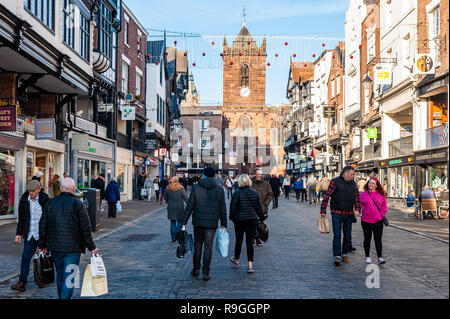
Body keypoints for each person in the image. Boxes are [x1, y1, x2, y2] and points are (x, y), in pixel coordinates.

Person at [38, 178, 98, 299]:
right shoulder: (78, 204)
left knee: (60, 275)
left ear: (61, 188)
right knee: (69, 278)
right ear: (73, 189)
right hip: (73, 249)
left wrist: (42, 245)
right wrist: (92, 247)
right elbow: (85, 229)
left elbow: (43, 225)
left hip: (55, 247)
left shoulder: (50, 203)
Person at [182, 167, 227, 281]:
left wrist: (184, 221)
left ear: (204, 175)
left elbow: (190, 205)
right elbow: (223, 208)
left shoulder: (196, 187)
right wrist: (223, 223)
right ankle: (206, 272)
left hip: (198, 222)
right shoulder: (219, 189)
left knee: (197, 245)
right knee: (208, 247)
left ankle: (196, 268)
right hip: (211, 223)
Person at [11, 180, 50, 292]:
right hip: (30, 234)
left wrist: (48, 235)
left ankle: (43, 280)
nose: (31, 193)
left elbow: (50, 219)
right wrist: (18, 233)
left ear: (38, 189)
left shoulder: (45, 200)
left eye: (33, 191)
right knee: (25, 258)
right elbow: (21, 219)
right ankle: (22, 283)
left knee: (44, 258)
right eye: (29, 191)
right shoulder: (24, 200)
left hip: (42, 234)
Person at [320, 166, 361, 266]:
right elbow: (327, 196)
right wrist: (323, 211)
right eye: (351, 174)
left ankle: (344, 254)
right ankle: (337, 256)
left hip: (348, 214)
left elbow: (357, 198)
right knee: (337, 235)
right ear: (345, 173)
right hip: (336, 213)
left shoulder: (353, 184)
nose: (353, 176)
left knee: (348, 235)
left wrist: (357, 209)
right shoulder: (335, 182)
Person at [229, 174, 267, 273]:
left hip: (239, 220)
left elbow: (233, 208)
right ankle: (250, 265)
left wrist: (232, 217)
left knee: (239, 240)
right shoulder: (254, 193)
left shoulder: (237, 193)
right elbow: (259, 208)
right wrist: (262, 218)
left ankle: (236, 259)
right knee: (249, 242)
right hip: (251, 219)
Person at [359, 177, 387, 265]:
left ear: (376, 186)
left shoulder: (381, 195)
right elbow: (358, 205)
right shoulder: (363, 195)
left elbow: (384, 207)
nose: (370, 184)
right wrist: (358, 211)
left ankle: (380, 257)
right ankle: (367, 256)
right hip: (366, 221)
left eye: (372, 183)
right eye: (369, 183)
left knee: (378, 239)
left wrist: (381, 215)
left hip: (378, 221)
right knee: (367, 239)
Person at [250, 169, 273, 246]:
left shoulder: (266, 184)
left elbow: (270, 194)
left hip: (263, 207)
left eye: (260, 174)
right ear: (255, 175)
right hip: (253, 208)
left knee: (260, 224)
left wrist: (266, 203)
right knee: (253, 224)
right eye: (258, 174)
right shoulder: (251, 184)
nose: (259, 175)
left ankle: (258, 239)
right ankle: (254, 239)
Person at [164, 177, 188, 242]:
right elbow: (185, 197)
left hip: (171, 207)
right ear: (177, 181)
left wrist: (167, 200)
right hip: (180, 207)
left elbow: (165, 198)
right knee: (180, 221)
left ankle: (173, 237)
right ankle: (177, 231)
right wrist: (189, 204)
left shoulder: (167, 188)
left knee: (172, 222)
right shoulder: (181, 188)